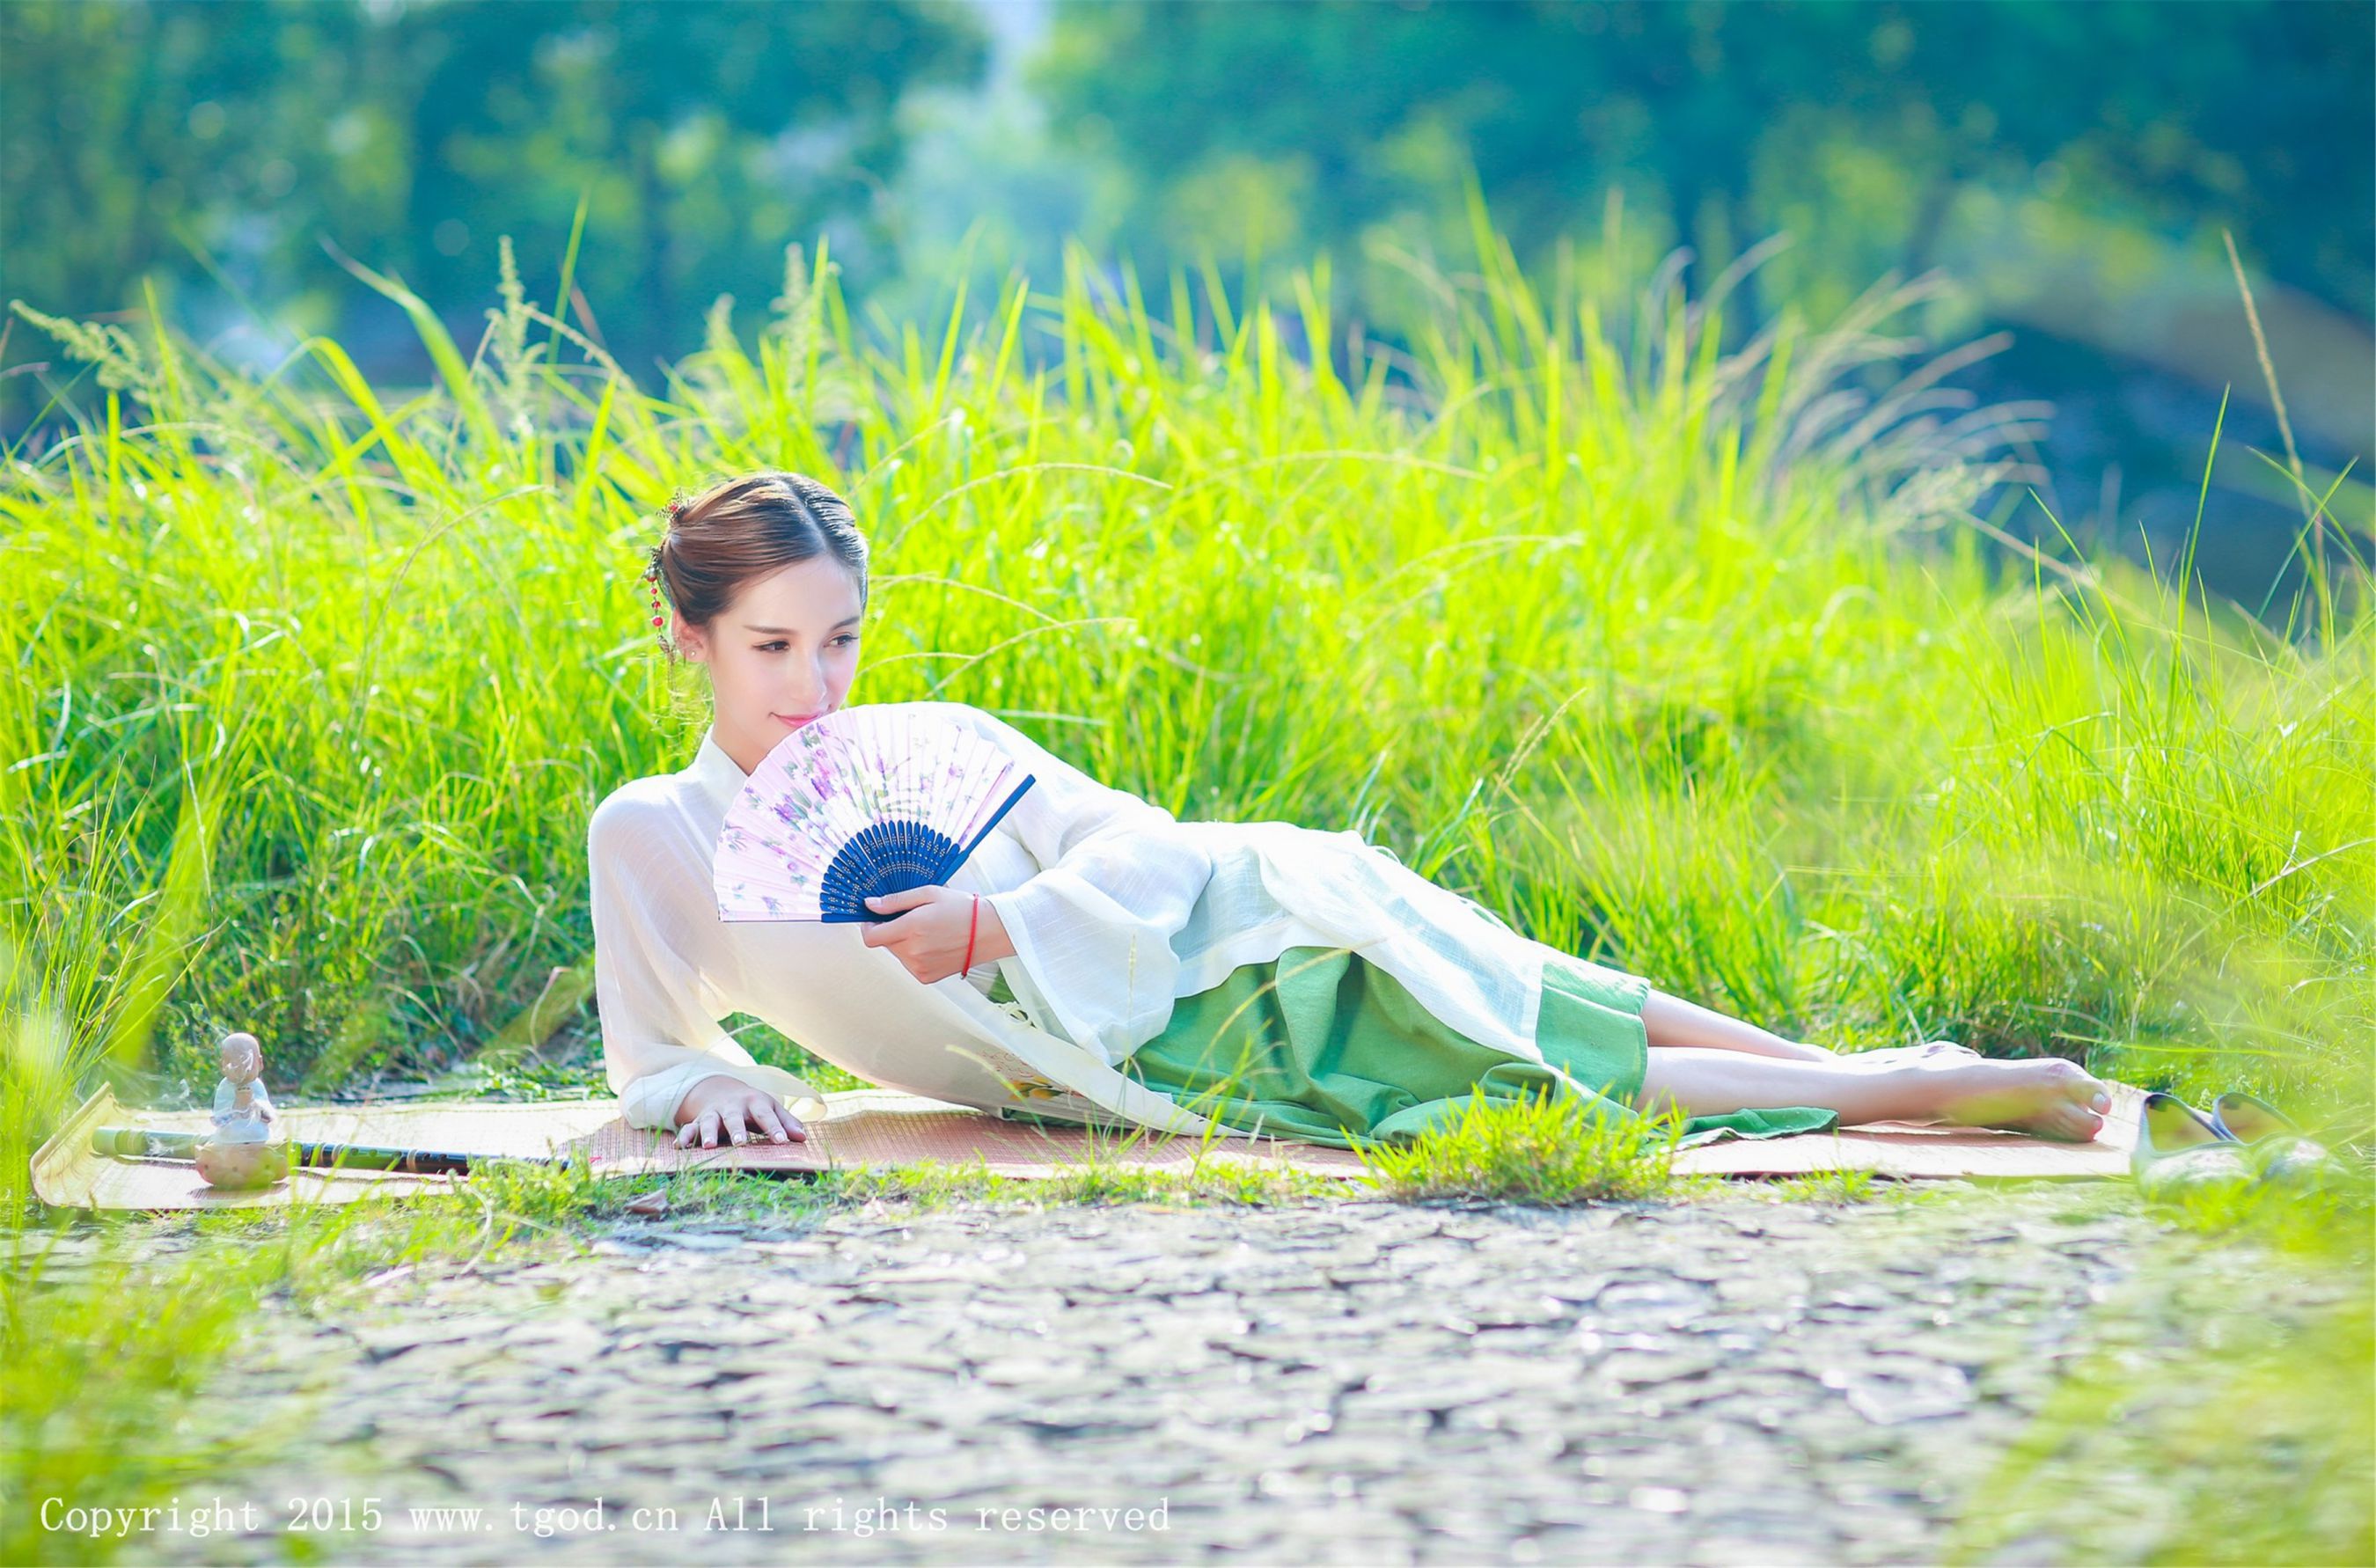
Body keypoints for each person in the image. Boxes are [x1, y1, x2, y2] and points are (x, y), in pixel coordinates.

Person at [590, 470, 2113, 1153]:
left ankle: (1905, 1080)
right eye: (773, 645)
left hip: (1247, 926)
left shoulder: (940, 742)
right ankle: (1924, 1082)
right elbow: (660, 1041)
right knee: (1536, 1069)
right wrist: (690, 1093)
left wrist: (1002, 919)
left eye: (840, 637)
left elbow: (1139, 841)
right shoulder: (655, 827)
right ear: (694, 638)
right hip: (1175, 1048)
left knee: (1559, 1008)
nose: (817, 684)